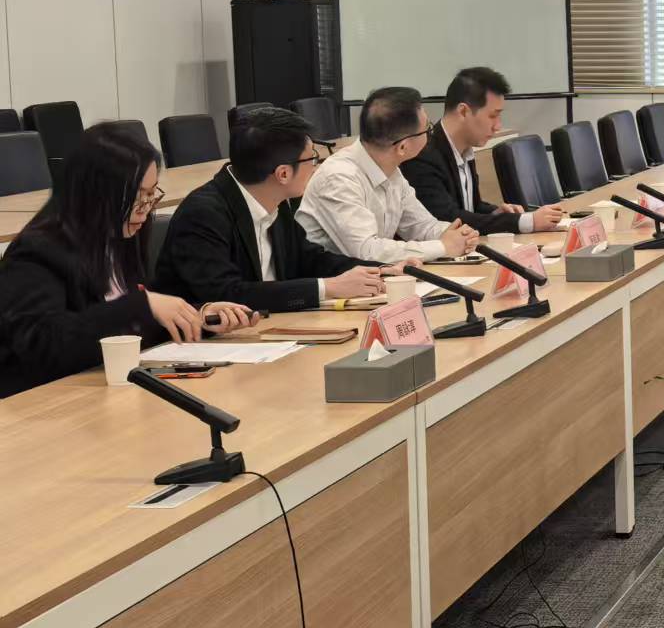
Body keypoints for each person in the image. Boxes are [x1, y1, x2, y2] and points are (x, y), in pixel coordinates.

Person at [0, 124, 251, 399]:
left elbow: (129, 325)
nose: (145, 209)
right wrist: (140, 306)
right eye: (137, 197)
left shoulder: (119, 237)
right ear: (96, 193)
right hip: (45, 402)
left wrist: (196, 317)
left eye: (151, 194)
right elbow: (43, 346)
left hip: (108, 390)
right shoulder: (38, 252)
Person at [154, 107, 396, 312]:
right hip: (210, 344)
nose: (316, 167)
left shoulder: (274, 198)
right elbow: (227, 294)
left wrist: (380, 270)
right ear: (283, 174)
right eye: (311, 158)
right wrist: (327, 288)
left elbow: (308, 259)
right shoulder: (203, 214)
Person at [297, 86, 480, 263]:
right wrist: (442, 247)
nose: (430, 134)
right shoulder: (339, 178)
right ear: (403, 147)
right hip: (329, 278)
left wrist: (456, 234)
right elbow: (366, 251)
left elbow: (421, 226)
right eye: (427, 129)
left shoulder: (390, 169)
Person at [402, 67, 567, 236]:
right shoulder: (422, 156)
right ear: (463, 111)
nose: (498, 126)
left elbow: (471, 207)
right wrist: (526, 221)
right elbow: (449, 219)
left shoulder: (465, 148)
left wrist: (495, 213)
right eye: (492, 116)